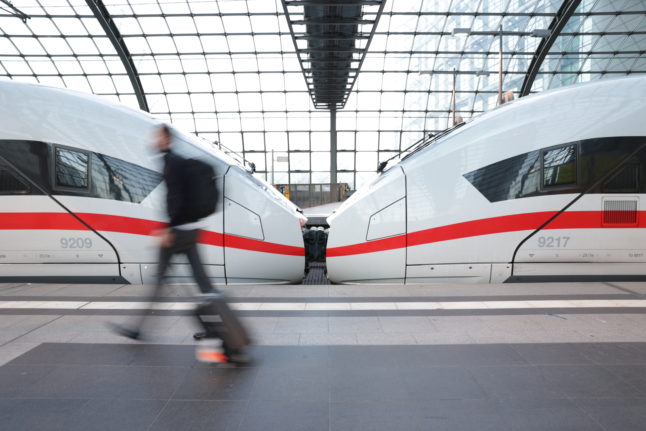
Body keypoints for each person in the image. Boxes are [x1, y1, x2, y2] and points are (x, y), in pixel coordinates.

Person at [113, 124, 248, 364]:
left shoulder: (171, 163)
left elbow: (174, 197)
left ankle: (138, 327)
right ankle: (218, 327)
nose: (154, 140)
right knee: (203, 283)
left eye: (158, 136)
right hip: (192, 230)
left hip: (176, 233)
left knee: (159, 283)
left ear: (166, 139)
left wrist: (167, 228)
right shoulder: (180, 162)